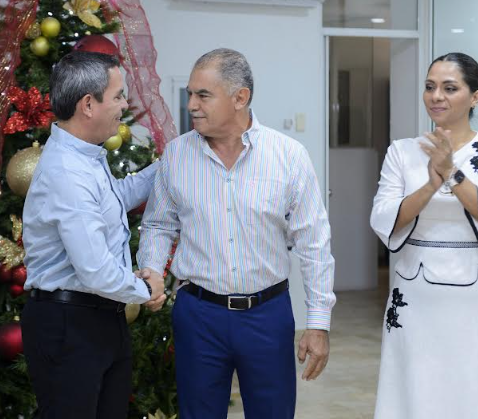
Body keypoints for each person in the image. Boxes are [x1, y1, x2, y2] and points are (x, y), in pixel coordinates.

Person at [137, 48, 335, 419]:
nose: (192, 105)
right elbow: (159, 224)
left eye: (203, 95)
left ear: (240, 97)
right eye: (190, 94)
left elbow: (314, 244)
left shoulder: (289, 156)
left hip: (267, 316)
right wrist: (151, 267)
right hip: (198, 315)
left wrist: (318, 323)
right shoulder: (176, 155)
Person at [370, 52, 478, 418]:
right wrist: (429, 185)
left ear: (475, 97)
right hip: (417, 293)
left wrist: (452, 174)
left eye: (450, 88)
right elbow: (384, 217)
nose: (436, 96)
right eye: (430, 87)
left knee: (477, 382)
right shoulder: (402, 151)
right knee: (416, 385)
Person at [21, 51, 166, 419]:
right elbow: (96, 271)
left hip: (99, 317)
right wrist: (146, 290)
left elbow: (117, 199)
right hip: (70, 324)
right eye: (118, 96)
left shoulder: (85, 158)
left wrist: (170, 164)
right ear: (88, 104)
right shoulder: (67, 172)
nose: (124, 106)